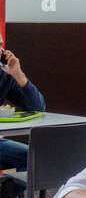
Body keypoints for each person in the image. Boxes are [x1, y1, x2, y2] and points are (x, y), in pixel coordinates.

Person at [0, 32, 46, 168]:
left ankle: (7, 189)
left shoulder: (4, 75)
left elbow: (37, 108)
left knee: (32, 158)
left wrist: (18, 75)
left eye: (0, 45)